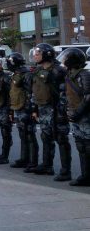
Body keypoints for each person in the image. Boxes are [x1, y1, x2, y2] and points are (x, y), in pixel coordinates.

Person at [31, 43, 71, 181]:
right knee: (45, 137)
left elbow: (65, 94)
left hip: (57, 110)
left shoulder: (59, 71)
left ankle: (66, 171)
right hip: (43, 109)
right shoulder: (38, 70)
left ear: (46, 55)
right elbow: (35, 90)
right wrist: (35, 109)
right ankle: (47, 166)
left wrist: (62, 112)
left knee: (61, 139)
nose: (35, 56)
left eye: (38, 54)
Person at [60, 48, 90, 186]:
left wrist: (77, 112)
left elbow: (88, 97)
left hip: (85, 116)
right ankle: (85, 176)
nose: (63, 61)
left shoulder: (84, 75)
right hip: (76, 116)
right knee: (81, 146)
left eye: (66, 58)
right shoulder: (70, 75)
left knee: (88, 146)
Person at [7, 52, 37, 172]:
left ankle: (33, 162)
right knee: (22, 134)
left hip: (26, 109)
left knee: (30, 135)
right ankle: (24, 159)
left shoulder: (26, 74)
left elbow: (31, 93)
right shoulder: (16, 74)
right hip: (19, 108)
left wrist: (32, 109)